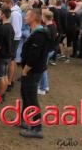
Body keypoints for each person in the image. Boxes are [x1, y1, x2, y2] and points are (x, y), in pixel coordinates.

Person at [19, 8, 50, 139]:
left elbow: (34, 56)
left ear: (34, 18)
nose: (25, 18)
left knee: (31, 98)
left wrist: (25, 70)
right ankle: (25, 120)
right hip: (32, 70)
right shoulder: (36, 32)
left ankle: (37, 128)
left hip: (33, 71)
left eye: (27, 16)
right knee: (26, 95)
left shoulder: (39, 34)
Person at [0, 7, 14, 100]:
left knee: (1, 77)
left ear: (3, 15)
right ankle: (2, 94)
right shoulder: (10, 27)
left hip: (1, 56)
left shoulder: (2, 28)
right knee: (4, 76)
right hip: (8, 55)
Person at [3, 0, 22, 92]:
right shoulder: (14, 12)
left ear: (9, 3)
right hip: (14, 38)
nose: (2, 4)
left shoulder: (14, 14)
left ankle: (10, 81)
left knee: (11, 60)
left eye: (4, 2)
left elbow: (15, 29)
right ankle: (11, 79)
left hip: (14, 39)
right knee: (12, 60)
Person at [38, 10, 58, 95]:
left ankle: (43, 88)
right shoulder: (53, 26)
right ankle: (45, 86)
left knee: (42, 69)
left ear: (44, 17)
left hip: (47, 50)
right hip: (51, 49)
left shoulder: (47, 29)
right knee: (44, 68)